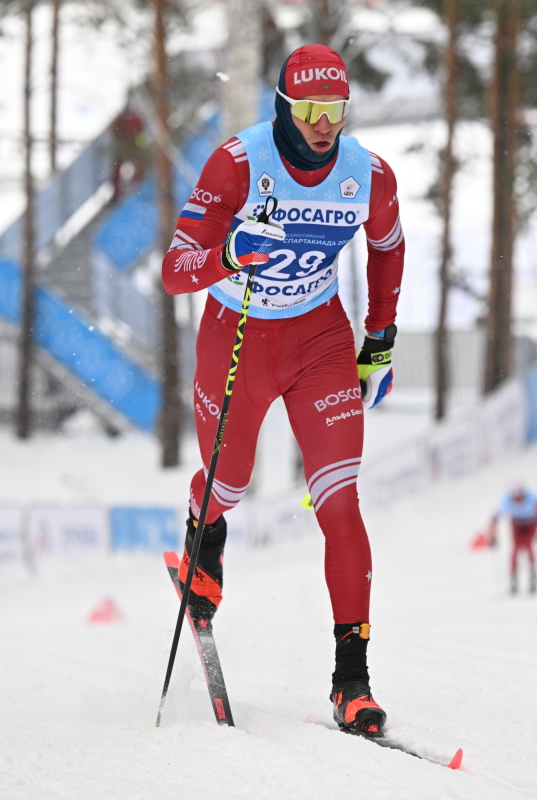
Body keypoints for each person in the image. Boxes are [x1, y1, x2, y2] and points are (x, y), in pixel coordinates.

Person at [160, 44, 405, 737]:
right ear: (283, 105)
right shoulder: (238, 164)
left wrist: (379, 336)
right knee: (229, 482)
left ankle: (351, 681)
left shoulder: (367, 174)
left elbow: (388, 244)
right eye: (308, 110)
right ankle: (205, 538)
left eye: (335, 111)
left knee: (340, 503)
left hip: (319, 340)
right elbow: (175, 271)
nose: (323, 125)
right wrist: (232, 253)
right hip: (238, 335)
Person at [489, 482, 537, 595]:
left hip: (532, 524)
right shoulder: (507, 501)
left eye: (520, 496)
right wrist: (492, 535)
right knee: (515, 551)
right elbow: (494, 519)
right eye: (515, 497)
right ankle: (514, 582)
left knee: (529, 547)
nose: (518, 500)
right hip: (517, 525)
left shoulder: (534, 501)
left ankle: (533, 580)